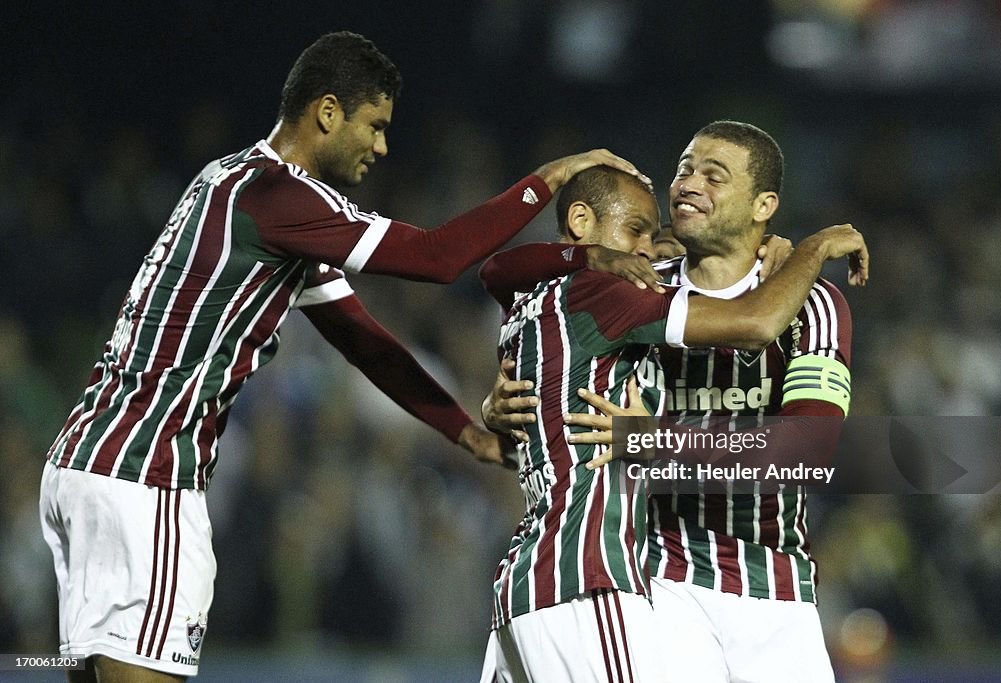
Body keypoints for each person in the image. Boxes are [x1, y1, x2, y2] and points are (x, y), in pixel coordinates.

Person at [38, 30, 658, 683]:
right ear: (328, 112)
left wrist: (469, 435)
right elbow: (437, 257)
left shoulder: (228, 185)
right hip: (148, 478)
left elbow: (365, 340)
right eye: (375, 126)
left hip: (82, 468)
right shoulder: (281, 195)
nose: (383, 147)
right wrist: (548, 179)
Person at [487, 121, 853, 682]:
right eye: (684, 168)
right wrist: (503, 407)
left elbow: (806, 451)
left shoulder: (811, 301)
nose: (688, 183)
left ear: (763, 205)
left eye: (714, 174)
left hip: (774, 590)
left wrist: (649, 441)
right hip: (662, 583)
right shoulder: (640, 285)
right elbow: (504, 273)